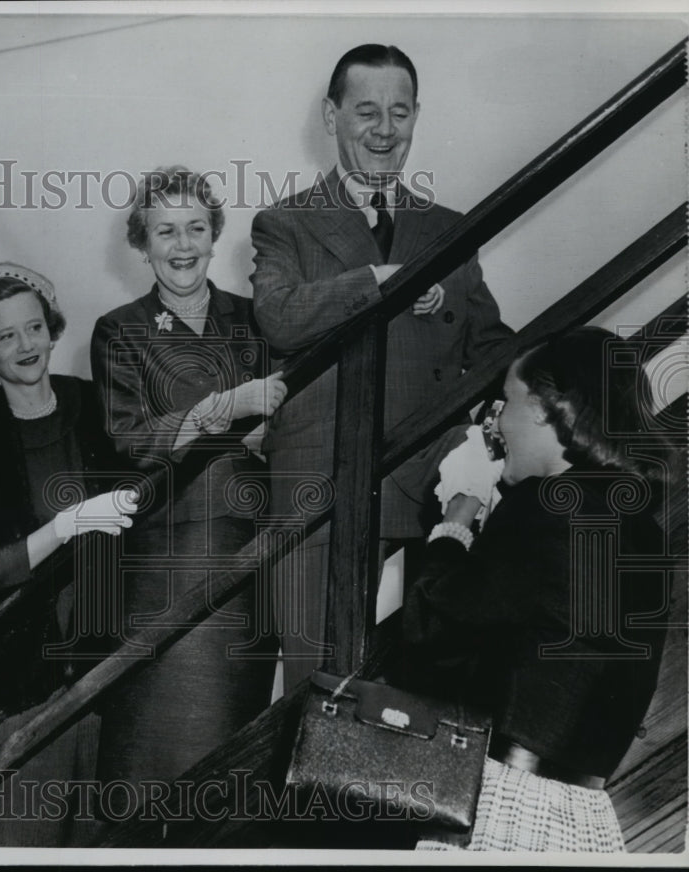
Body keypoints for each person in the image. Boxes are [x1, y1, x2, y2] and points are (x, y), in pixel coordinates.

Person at [250, 43, 514, 691]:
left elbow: (494, 348)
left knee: (426, 700)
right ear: (331, 116)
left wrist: (502, 411)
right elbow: (279, 317)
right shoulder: (285, 223)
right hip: (320, 496)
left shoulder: (452, 231)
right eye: (366, 111)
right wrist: (377, 281)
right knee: (321, 700)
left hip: (430, 493)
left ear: (417, 117)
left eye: (399, 112)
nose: (385, 129)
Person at [401, 327, 671, 852]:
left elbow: (427, 632)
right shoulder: (641, 524)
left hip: (506, 804)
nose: (497, 420)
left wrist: (458, 516)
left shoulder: (545, 504)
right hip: (583, 816)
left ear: (547, 409)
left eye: (508, 401)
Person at [90, 166, 288, 791]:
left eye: (196, 228)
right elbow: (133, 441)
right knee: (153, 766)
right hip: (161, 567)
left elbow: (288, 418)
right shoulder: (119, 330)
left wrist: (265, 428)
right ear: (141, 244)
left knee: (232, 764)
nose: (182, 246)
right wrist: (230, 408)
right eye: (165, 231)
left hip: (249, 561)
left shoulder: (256, 319)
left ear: (214, 234)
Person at [0, 262, 137, 846]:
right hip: (27, 689)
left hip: (114, 674)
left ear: (51, 330)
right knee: (18, 847)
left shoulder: (96, 406)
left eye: (34, 328)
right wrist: (64, 527)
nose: (25, 345)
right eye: (6, 336)